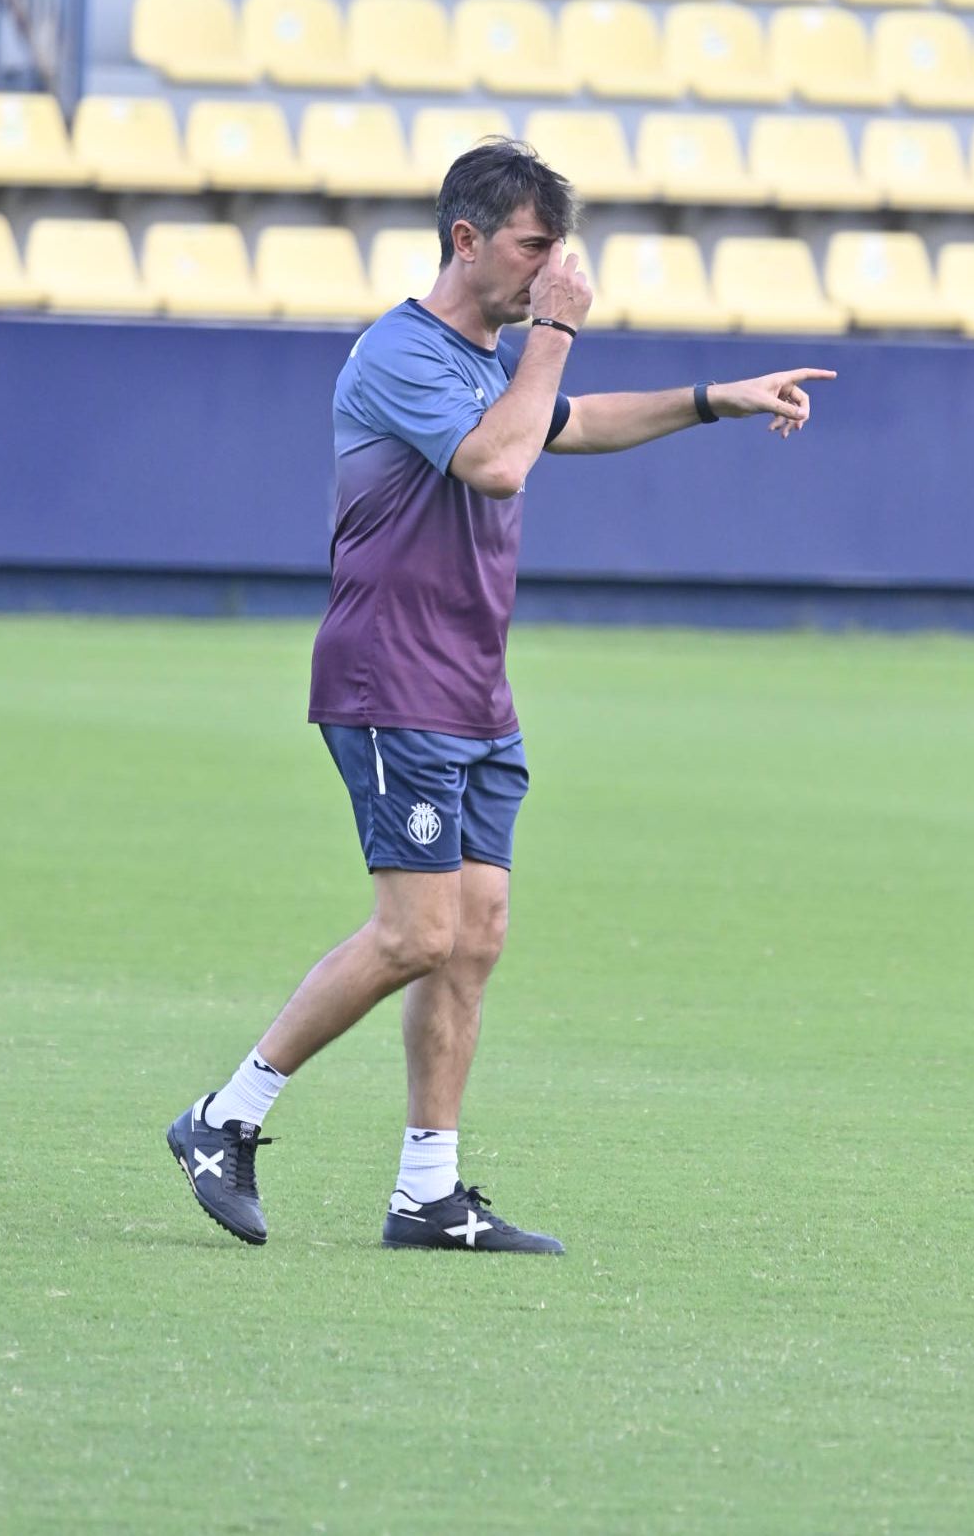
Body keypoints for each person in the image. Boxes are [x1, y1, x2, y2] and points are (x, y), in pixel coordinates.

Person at [167, 139, 836, 1254]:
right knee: (417, 930)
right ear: (466, 238)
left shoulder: (491, 362)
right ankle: (222, 1116)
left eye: (559, 253)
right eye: (534, 247)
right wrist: (558, 336)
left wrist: (717, 398)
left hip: (474, 688)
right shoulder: (400, 354)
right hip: (394, 681)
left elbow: (570, 424)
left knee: (474, 934)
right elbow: (500, 462)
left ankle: (426, 1193)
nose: (550, 272)